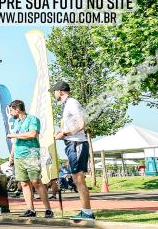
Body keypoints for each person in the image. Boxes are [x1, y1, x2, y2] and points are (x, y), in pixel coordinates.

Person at [52, 81, 93, 220]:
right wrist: (62, 131)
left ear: (61, 92)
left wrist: (65, 133)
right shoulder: (67, 105)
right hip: (72, 144)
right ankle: (85, 211)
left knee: (78, 178)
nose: (54, 94)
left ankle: (87, 212)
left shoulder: (72, 103)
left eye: (55, 91)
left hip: (77, 144)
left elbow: (81, 124)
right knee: (76, 178)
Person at [7, 99, 54, 218]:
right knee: (24, 183)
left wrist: (14, 135)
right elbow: (14, 141)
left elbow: (33, 134)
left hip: (31, 154)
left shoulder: (32, 119)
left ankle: (48, 209)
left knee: (36, 181)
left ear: (17, 109)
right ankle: (30, 210)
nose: (11, 113)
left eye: (12, 110)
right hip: (18, 156)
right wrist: (11, 156)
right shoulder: (16, 123)